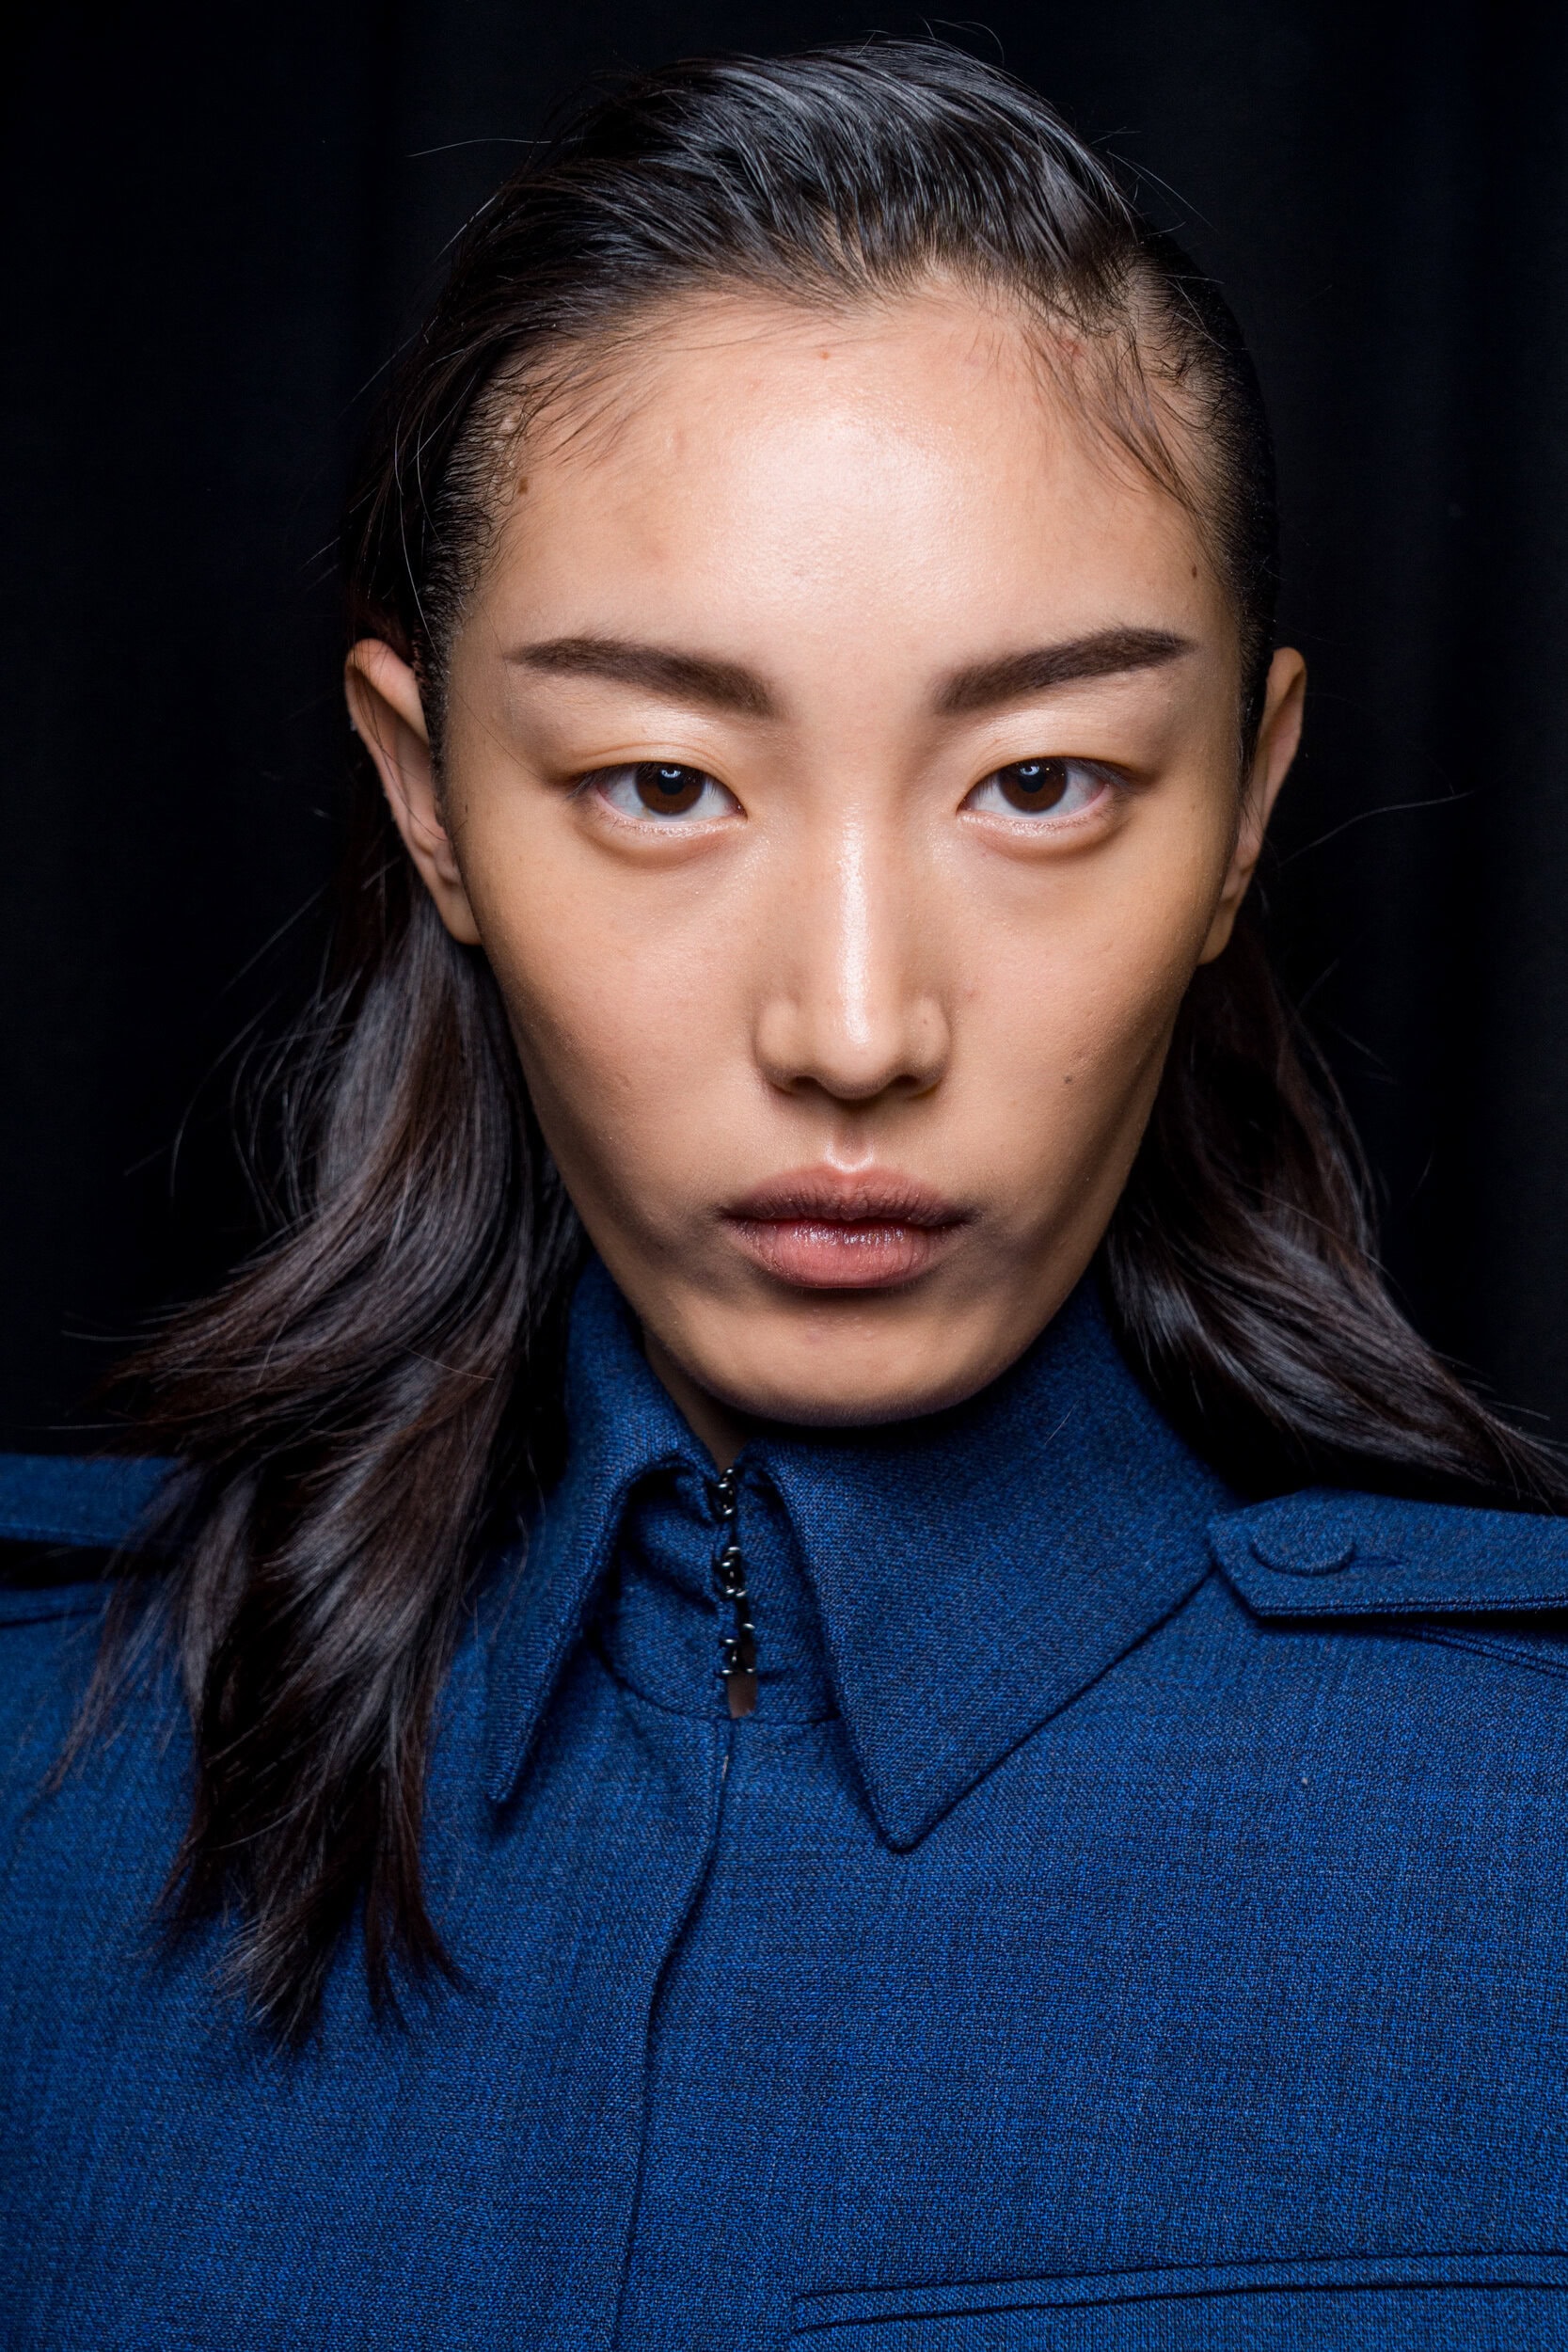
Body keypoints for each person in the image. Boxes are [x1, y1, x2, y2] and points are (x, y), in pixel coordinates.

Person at [5, 40, 1568, 2350]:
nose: (853, 1025)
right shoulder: (43, 1780)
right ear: (429, 799)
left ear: (1244, 807)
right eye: (663, 781)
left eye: (1041, 779)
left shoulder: (1522, 1841)